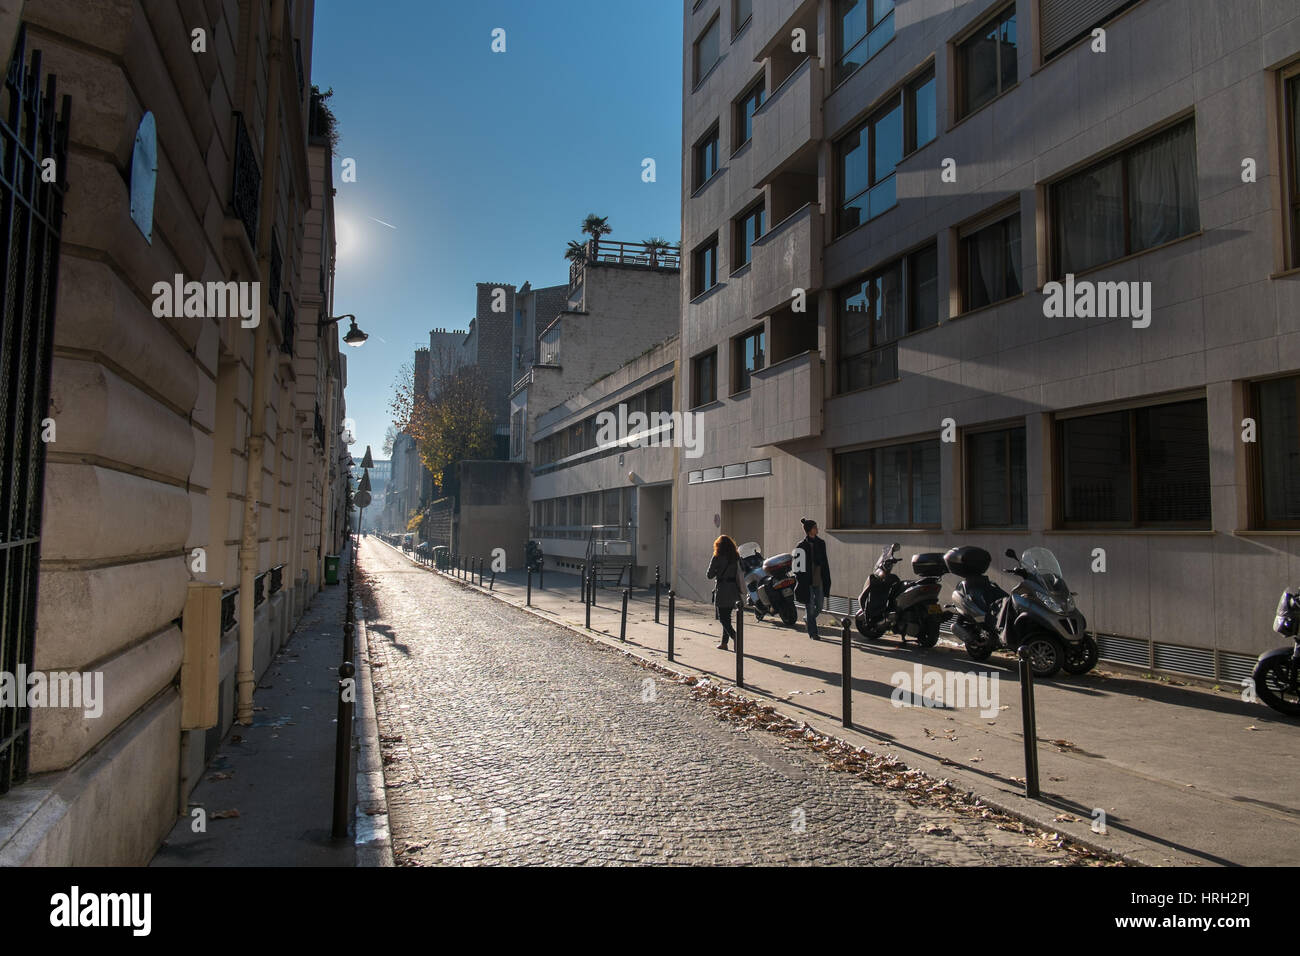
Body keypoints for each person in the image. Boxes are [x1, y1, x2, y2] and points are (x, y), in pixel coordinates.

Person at [794, 517, 832, 640]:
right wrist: (801, 579)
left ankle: (807, 619)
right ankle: (813, 633)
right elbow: (796, 566)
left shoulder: (821, 543)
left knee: (820, 606)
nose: (817, 529)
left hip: (819, 579)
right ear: (810, 530)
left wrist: (826, 577)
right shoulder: (801, 546)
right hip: (806, 581)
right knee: (809, 607)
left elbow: (825, 562)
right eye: (815, 527)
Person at [706, 534, 746, 650]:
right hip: (733, 589)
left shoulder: (717, 556)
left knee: (722, 618)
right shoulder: (736, 556)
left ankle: (735, 636)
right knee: (727, 616)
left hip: (722, 589)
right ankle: (724, 643)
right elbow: (742, 570)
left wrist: (718, 570)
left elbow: (709, 575)